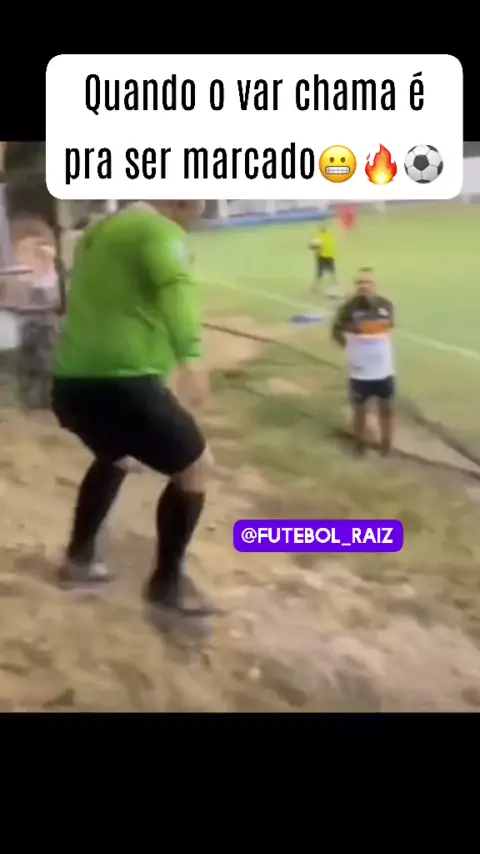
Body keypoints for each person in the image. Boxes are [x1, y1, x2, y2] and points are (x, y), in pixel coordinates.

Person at [51, 200, 215, 621]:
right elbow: (177, 287)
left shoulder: (96, 234)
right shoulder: (158, 231)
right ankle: (166, 585)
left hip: (71, 383)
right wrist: (191, 358)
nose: (196, 215)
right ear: (180, 200)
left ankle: (79, 558)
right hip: (122, 382)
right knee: (195, 469)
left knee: (116, 455)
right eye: (197, 206)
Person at [331, 268, 395, 457]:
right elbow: (335, 332)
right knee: (360, 410)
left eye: (367, 282)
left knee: (386, 409)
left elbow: (388, 329)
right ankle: (359, 444)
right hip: (360, 371)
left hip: (384, 370)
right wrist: (351, 350)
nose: (363, 286)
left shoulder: (386, 305)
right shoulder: (347, 308)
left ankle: (386, 444)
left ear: (374, 285)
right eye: (360, 282)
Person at [309, 222, 337, 294]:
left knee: (323, 272)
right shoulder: (327, 235)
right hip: (327, 256)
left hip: (325, 256)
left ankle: (317, 286)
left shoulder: (320, 235)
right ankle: (317, 286)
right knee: (329, 272)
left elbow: (313, 246)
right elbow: (313, 246)